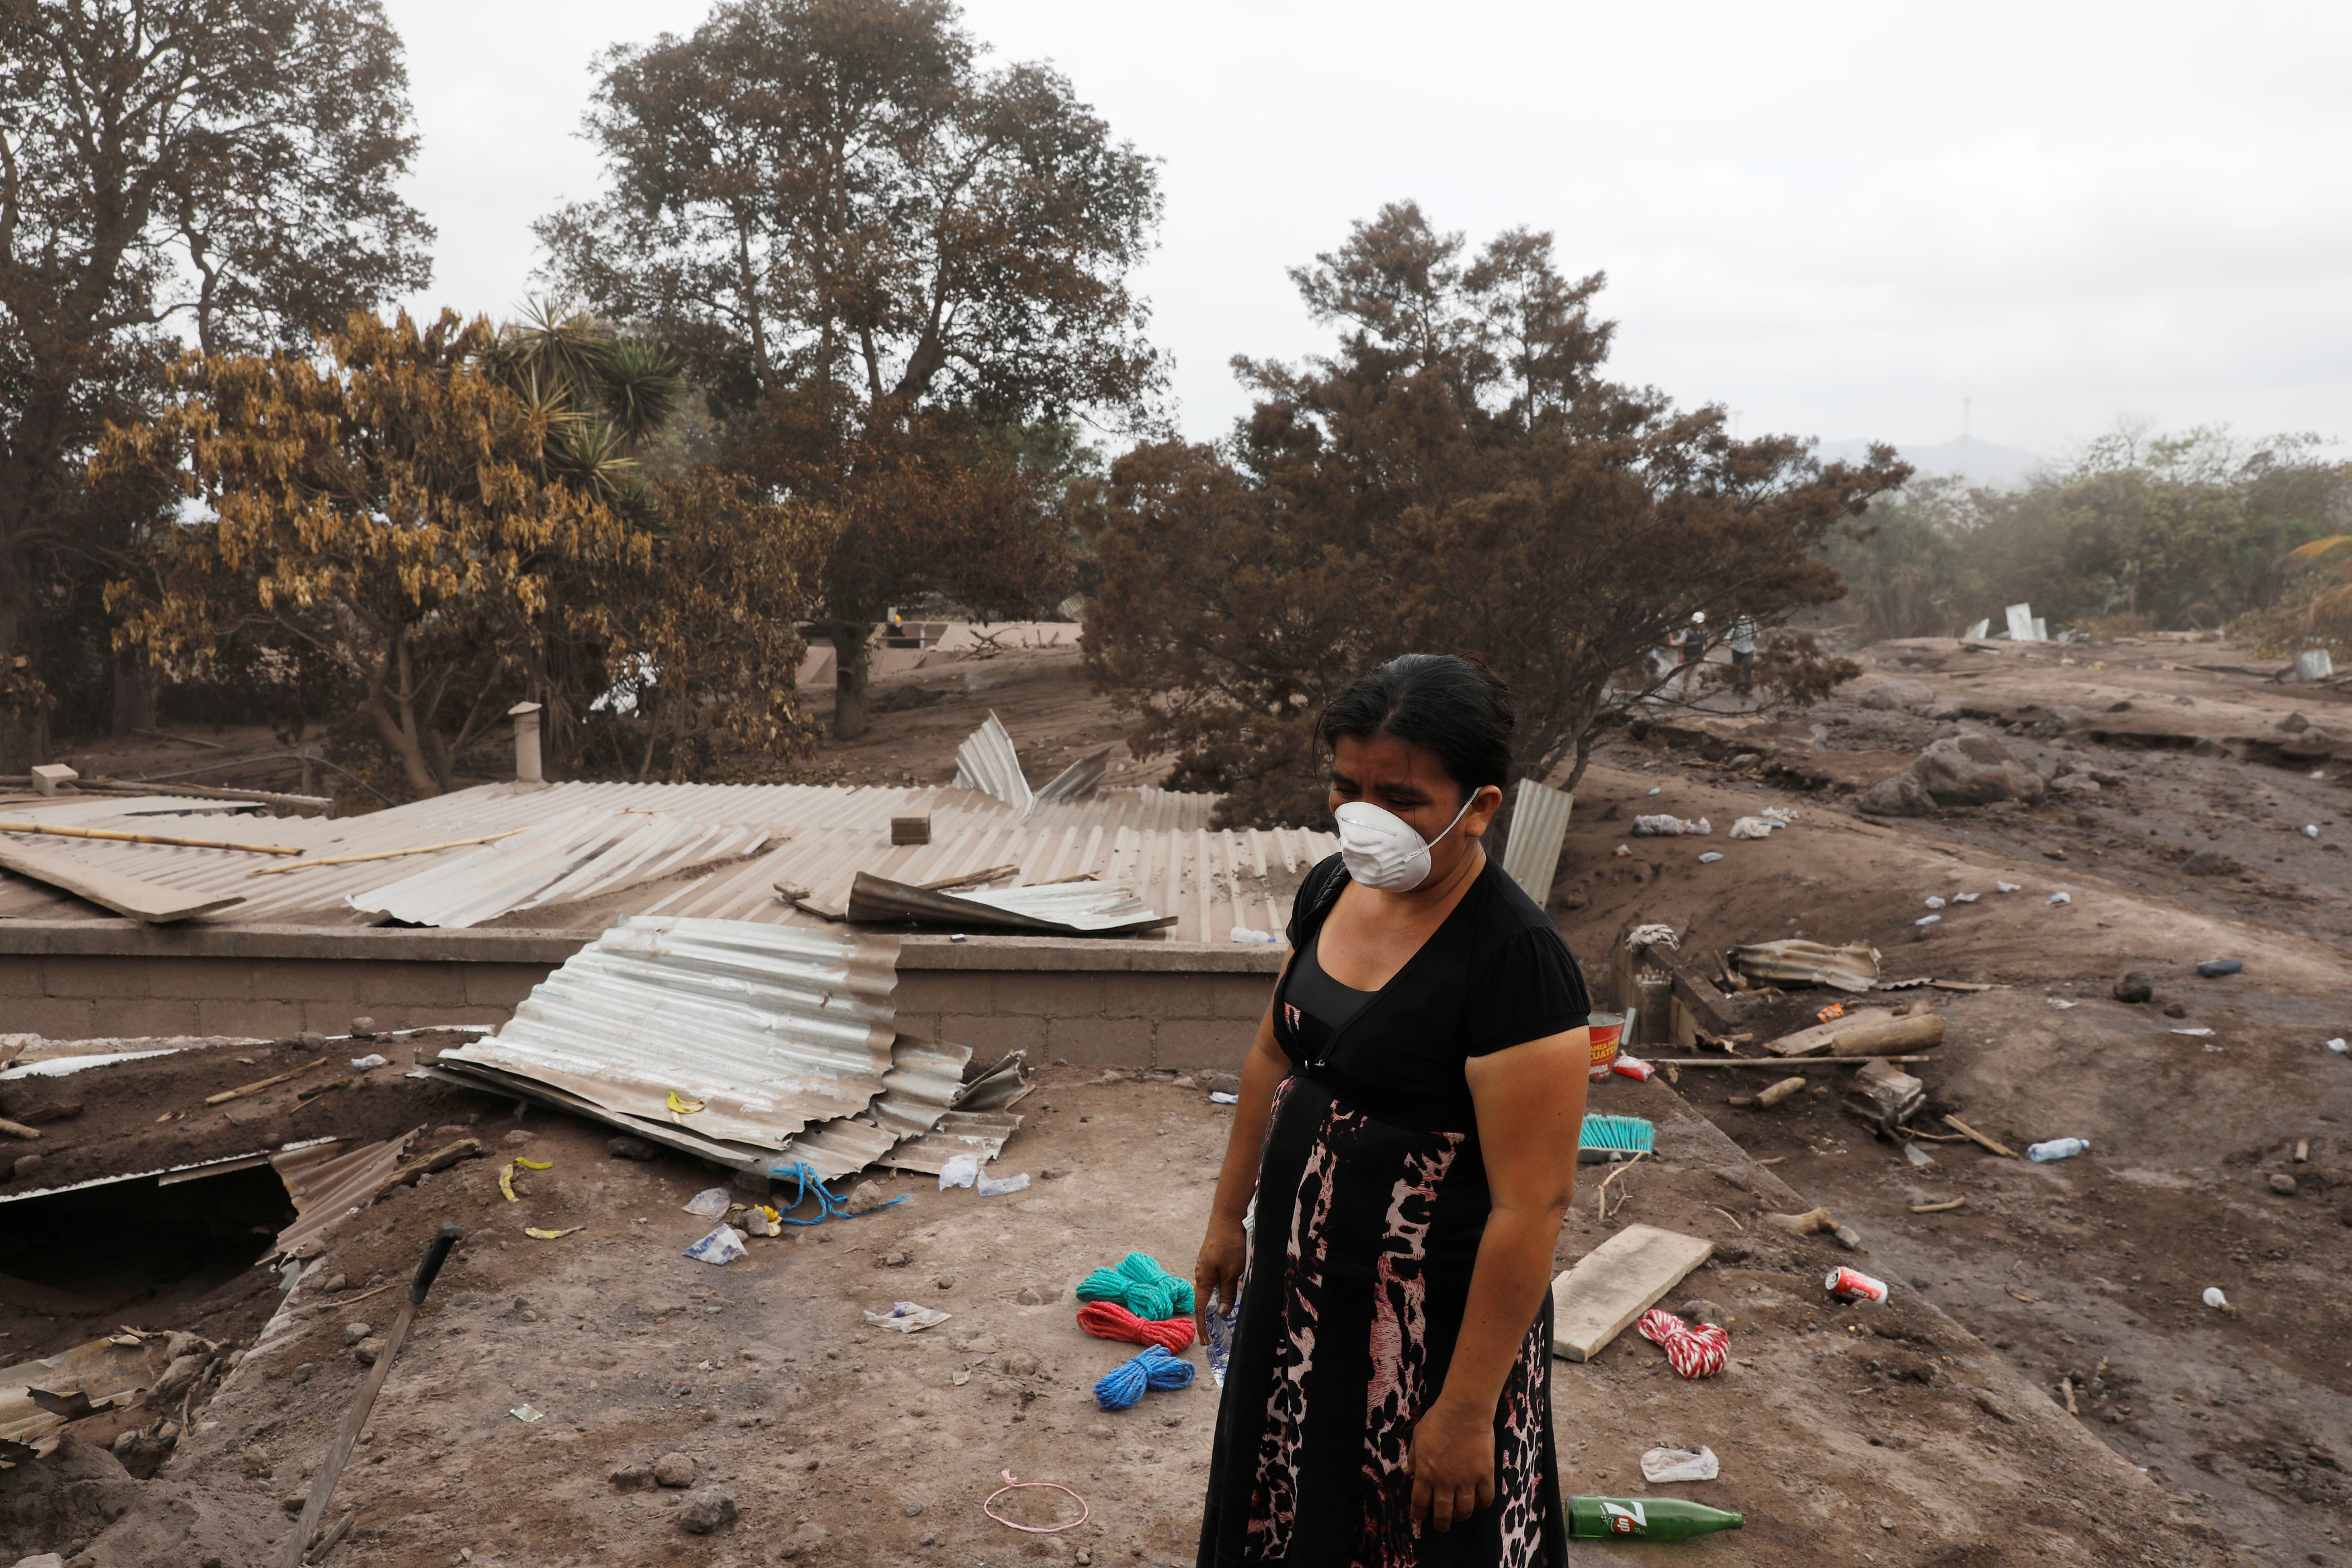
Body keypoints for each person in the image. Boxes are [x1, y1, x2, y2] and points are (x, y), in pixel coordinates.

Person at [1194, 653, 1593, 1567]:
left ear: (1480, 805)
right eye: (1347, 787)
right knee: (1289, 1519)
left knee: (1411, 1540)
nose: (1365, 817)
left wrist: (1463, 1408)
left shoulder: (1514, 961)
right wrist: (1228, 1217)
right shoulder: (1331, 889)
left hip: (1427, 1342)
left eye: (1403, 797)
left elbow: (1531, 1205)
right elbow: (1271, 1051)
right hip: (1299, 1308)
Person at [1672, 611, 1710, 700]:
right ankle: (1683, 691)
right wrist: (1680, 655)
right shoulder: (1687, 632)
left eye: (1701, 624)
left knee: (1698, 674)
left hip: (1699, 656)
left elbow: (1707, 643)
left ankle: (1697, 691)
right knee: (1686, 675)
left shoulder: (1704, 632)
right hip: (1687, 657)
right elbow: (1682, 644)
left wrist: (1705, 652)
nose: (1700, 626)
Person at [1727, 613, 1759, 699]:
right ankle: (1736, 687)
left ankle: (1748, 689)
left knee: (1748, 668)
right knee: (1736, 668)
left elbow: (1756, 632)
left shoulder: (1752, 621)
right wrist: (1728, 640)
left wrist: (1756, 635)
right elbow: (1730, 632)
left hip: (1749, 648)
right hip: (1737, 648)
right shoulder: (1735, 620)